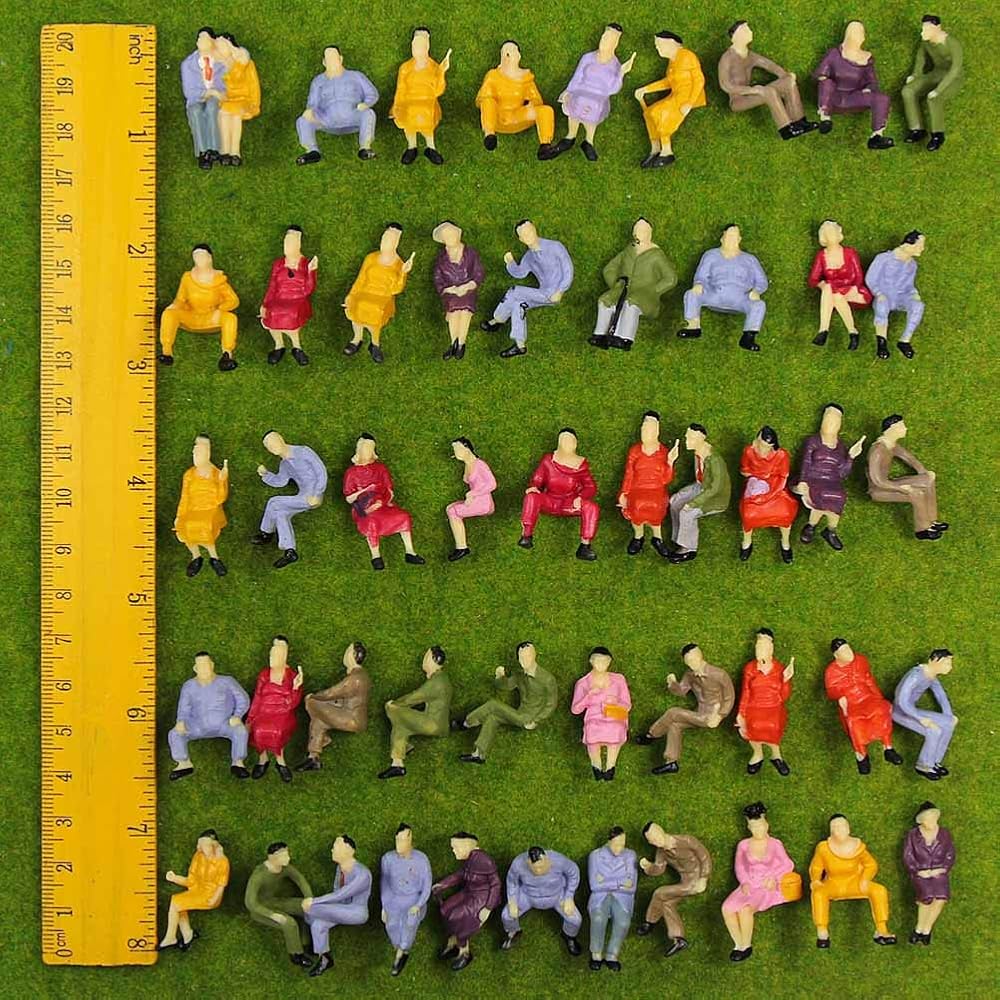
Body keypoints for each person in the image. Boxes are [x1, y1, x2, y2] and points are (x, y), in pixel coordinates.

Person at [634, 643, 734, 774]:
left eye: (693, 660)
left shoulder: (719, 674)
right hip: (699, 714)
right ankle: (671, 762)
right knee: (674, 725)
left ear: (700, 655)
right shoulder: (689, 675)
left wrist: (720, 716)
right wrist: (673, 684)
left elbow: (729, 697)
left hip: (712, 716)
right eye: (688, 662)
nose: (691, 665)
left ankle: (651, 735)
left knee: (673, 712)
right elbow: (682, 691)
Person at [455, 641, 558, 764]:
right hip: (519, 714)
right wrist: (500, 677)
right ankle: (479, 755)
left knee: (493, 704)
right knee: (492, 718)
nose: (524, 661)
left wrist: (536, 721)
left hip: (529, 719)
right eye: (521, 658)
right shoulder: (520, 675)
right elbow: (506, 686)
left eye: (528, 656)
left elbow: (551, 704)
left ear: (534, 655)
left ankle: (466, 723)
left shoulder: (547, 679)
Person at [481, 220, 573, 357]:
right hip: (543, 292)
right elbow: (520, 273)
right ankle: (520, 345)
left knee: (514, 291)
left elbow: (568, 269)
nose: (528, 235)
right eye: (524, 234)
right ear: (521, 239)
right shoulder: (529, 257)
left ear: (535, 229)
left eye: (529, 231)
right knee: (519, 305)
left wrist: (561, 290)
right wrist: (511, 263)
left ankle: (497, 320)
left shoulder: (555, 247)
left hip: (553, 293)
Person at [722, 804, 798, 962]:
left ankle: (746, 945)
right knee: (727, 908)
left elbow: (788, 864)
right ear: (749, 828)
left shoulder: (775, 844)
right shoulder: (743, 845)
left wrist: (774, 877)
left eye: (761, 826)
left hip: (765, 886)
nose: (758, 830)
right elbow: (739, 866)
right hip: (750, 883)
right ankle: (738, 944)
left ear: (766, 825)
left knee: (745, 910)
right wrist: (744, 881)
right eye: (754, 827)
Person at [589, 219, 677, 351]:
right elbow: (609, 269)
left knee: (631, 304)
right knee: (605, 300)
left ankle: (624, 337)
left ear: (649, 234)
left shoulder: (656, 255)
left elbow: (671, 278)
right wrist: (616, 285)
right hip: (623, 289)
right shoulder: (628, 250)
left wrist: (653, 290)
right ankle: (600, 334)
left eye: (642, 231)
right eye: (636, 230)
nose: (637, 234)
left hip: (645, 295)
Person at [718, 21, 816, 139]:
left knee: (789, 82)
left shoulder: (750, 55)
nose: (750, 32)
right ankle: (786, 129)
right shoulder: (727, 58)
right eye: (746, 30)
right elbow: (725, 85)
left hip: (752, 93)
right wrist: (753, 90)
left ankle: (799, 122)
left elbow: (769, 65)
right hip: (738, 100)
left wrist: (785, 75)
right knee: (768, 91)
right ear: (736, 36)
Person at [809, 814, 896, 947]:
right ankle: (822, 933)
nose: (840, 829)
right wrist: (815, 880)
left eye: (843, 826)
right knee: (818, 894)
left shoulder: (858, 847)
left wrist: (865, 879)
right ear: (831, 831)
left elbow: (871, 864)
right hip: (833, 883)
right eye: (835, 827)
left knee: (879, 890)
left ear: (848, 828)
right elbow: (816, 867)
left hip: (855, 883)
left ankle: (881, 930)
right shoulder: (824, 848)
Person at [552, 23, 636, 161]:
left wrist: (621, 73)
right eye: (604, 37)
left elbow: (612, 89)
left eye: (609, 40)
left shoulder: (615, 65)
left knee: (595, 106)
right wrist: (569, 90)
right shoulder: (588, 58)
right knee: (577, 101)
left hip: (598, 96)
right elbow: (577, 76)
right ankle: (571, 136)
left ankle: (588, 141)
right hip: (581, 90)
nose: (604, 41)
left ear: (615, 44)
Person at [678, 224, 768, 351]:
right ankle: (693, 326)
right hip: (715, 294)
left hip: (741, 298)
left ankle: (748, 336)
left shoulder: (750, 260)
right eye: (729, 236)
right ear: (722, 238)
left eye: (734, 236)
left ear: (739, 239)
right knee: (691, 294)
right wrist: (698, 284)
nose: (731, 239)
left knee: (759, 305)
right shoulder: (710, 255)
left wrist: (756, 291)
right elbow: (701, 275)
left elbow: (762, 281)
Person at [343, 433, 425, 570]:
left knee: (403, 516)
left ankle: (410, 552)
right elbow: (349, 498)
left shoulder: (380, 468)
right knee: (371, 522)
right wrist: (365, 491)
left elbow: (389, 490)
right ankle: (376, 556)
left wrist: (383, 502)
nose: (367, 452)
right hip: (362, 507)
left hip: (381, 504)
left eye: (370, 449)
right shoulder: (351, 472)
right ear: (359, 450)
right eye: (365, 449)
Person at [824, 638, 903, 774]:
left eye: (848, 648)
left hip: (868, 697)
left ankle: (888, 748)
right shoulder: (832, 671)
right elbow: (831, 691)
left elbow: (868, 679)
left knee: (882, 708)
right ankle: (861, 755)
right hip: (851, 702)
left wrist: (878, 697)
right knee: (854, 721)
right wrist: (840, 696)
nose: (849, 653)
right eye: (843, 651)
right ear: (836, 655)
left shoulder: (860, 660)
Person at [794, 403, 866, 550]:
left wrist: (851, 457)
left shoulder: (841, 446)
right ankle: (812, 525)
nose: (831, 423)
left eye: (835, 420)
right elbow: (806, 462)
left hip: (832, 480)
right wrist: (803, 481)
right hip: (813, 477)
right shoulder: (813, 441)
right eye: (828, 418)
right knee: (820, 493)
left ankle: (830, 530)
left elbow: (842, 473)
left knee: (839, 495)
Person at [519, 428, 599, 560]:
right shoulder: (548, 460)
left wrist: (581, 497)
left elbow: (590, 486)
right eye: (563, 440)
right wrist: (534, 487)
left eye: (569, 441)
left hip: (569, 502)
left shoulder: (580, 465)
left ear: (575, 443)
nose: (566, 444)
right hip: (550, 499)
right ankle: (526, 535)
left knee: (591, 507)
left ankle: (585, 546)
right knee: (531, 497)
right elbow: (538, 477)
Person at [168, 651, 250, 780]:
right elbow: (184, 706)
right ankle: (184, 763)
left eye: (206, 665)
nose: (204, 669)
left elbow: (243, 699)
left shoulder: (227, 681)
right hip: (198, 725)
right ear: (195, 668)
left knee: (240, 730)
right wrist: (181, 721)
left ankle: (238, 763)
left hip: (225, 723)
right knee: (175, 733)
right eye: (200, 666)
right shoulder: (189, 686)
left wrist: (237, 715)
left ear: (212, 665)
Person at [252, 430, 328, 569]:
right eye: (268, 446)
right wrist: (266, 474)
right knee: (281, 513)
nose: (272, 446)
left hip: (312, 496)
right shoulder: (284, 465)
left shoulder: (303, 452)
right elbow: (281, 481)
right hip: (302, 495)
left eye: (273, 442)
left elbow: (321, 471)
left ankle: (266, 534)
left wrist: (317, 493)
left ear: (280, 438)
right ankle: (290, 551)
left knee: (274, 502)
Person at [813, 21, 894, 149]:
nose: (861, 38)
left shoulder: (866, 59)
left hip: (854, 96)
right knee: (826, 82)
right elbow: (821, 73)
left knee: (882, 98)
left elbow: (872, 81)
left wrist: (868, 89)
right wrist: (823, 80)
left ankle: (877, 136)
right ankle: (825, 118)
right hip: (834, 95)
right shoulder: (835, 54)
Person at [158, 244, 239, 371]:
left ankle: (227, 354)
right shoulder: (187, 278)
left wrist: (220, 309)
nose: (199, 260)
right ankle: (167, 351)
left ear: (209, 258)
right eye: (196, 257)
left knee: (230, 318)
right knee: (169, 314)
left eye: (202, 256)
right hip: (191, 315)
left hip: (211, 317)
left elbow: (233, 300)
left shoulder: (219, 281)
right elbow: (180, 299)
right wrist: (173, 306)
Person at [636, 822, 712, 958]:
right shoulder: (661, 853)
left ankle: (649, 922)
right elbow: (659, 869)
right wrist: (648, 867)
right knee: (666, 904)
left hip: (695, 881)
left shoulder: (686, 840)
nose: (655, 841)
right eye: (651, 840)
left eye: (655, 836)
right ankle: (678, 939)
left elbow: (704, 857)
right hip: (684, 882)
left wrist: (704, 878)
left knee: (659, 893)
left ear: (661, 830)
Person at [866, 414, 947, 540]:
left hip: (889, 483)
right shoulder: (878, 450)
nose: (905, 429)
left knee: (928, 480)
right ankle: (922, 529)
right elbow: (877, 480)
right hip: (878, 490)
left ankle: (933, 521)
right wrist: (903, 488)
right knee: (916, 494)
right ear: (891, 429)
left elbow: (909, 458)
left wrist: (924, 472)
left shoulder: (892, 445)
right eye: (901, 426)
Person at [301, 836, 371, 977]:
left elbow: (341, 894)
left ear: (349, 850)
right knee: (317, 925)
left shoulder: (362, 874)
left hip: (356, 911)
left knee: (311, 910)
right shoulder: (340, 868)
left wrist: (314, 902)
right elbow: (336, 891)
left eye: (336, 847)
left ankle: (312, 924)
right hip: (339, 908)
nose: (332, 850)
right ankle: (325, 959)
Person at [343, 224, 414, 362]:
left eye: (389, 240)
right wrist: (351, 295)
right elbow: (360, 279)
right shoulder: (371, 258)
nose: (385, 243)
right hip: (364, 292)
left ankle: (375, 344)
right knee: (357, 304)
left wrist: (403, 274)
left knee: (375, 310)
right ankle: (357, 338)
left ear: (396, 243)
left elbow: (396, 290)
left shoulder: (399, 264)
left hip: (382, 296)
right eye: (384, 239)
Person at [295, 45, 378, 164]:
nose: (332, 62)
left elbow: (372, 93)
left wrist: (366, 104)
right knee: (303, 120)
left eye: (334, 58)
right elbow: (312, 103)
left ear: (341, 59)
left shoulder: (356, 76)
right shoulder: (318, 81)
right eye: (329, 60)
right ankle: (312, 151)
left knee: (368, 113)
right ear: (324, 62)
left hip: (353, 115)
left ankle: (365, 148)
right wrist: (310, 111)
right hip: (327, 119)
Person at [635, 31, 706, 168]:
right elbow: (669, 82)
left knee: (660, 112)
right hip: (676, 95)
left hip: (687, 97)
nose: (657, 47)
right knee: (648, 113)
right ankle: (655, 148)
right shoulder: (672, 62)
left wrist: (689, 103)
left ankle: (667, 152)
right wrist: (646, 89)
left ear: (671, 43)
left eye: (659, 44)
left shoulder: (686, 56)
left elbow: (699, 80)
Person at [378, 647, 452, 779]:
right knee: (401, 726)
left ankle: (403, 750)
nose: (424, 660)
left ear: (433, 660)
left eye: (427, 657)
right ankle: (398, 764)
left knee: (393, 710)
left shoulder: (436, 682)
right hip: (440, 724)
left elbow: (415, 697)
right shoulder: (442, 677)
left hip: (432, 724)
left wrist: (395, 703)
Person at [297, 641, 371, 772]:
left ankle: (322, 740)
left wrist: (313, 696)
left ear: (353, 655)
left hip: (351, 718)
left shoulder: (355, 678)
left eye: (348, 651)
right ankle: (313, 757)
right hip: (348, 711)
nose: (345, 655)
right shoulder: (360, 675)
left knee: (312, 703)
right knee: (319, 720)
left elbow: (331, 693)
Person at [432, 832, 501, 972]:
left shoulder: (485, 861)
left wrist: (487, 908)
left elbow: (496, 884)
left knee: (457, 916)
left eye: (455, 847)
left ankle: (464, 952)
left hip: (481, 897)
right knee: (445, 909)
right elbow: (460, 875)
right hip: (469, 891)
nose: (453, 850)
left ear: (467, 846)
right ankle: (452, 943)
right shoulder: (469, 860)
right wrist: (443, 884)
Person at [475, 41, 557, 159]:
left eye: (511, 51)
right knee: (487, 101)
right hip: (497, 117)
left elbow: (537, 99)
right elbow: (482, 99)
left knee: (546, 110)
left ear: (518, 55)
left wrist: (532, 105)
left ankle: (545, 146)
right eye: (505, 52)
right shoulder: (493, 76)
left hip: (517, 115)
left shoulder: (526, 78)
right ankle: (489, 135)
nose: (508, 55)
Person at [667, 423, 731, 563]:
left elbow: (715, 489)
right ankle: (679, 538)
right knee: (675, 502)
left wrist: (693, 503)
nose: (686, 440)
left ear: (701, 439)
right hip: (701, 485)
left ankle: (689, 548)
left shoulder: (715, 461)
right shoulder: (698, 452)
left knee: (687, 512)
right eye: (687, 437)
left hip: (714, 497)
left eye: (690, 438)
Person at [618, 411, 678, 555]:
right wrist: (624, 492)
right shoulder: (635, 451)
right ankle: (638, 536)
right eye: (643, 430)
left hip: (656, 488)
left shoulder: (663, 452)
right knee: (637, 505)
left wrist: (670, 462)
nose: (645, 433)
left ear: (657, 431)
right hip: (637, 488)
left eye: (649, 430)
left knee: (656, 506)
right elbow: (629, 473)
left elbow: (666, 479)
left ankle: (657, 538)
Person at [244, 842, 313, 968]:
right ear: (273, 857)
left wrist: (309, 898)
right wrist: (272, 915)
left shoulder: (285, 868)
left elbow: (300, 879)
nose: (288, 858)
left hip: (276, 901)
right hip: (260, 909)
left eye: (287, 854)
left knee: (305, 909)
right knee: (289, 923)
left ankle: (306, 943)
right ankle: (296, 954)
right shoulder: (259, 876)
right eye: (284, 856)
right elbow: (250, 903)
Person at [502, 846, 582, 954]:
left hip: (556, 895)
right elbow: (512, 882)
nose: (538, 871)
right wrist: (512, 901)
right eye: (535, 868)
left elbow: (574, 873)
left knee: (575, 919)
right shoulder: (518, 864)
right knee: (507, 915)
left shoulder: (559, 860)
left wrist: (569, 896)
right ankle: (513, 931)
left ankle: (569, 935)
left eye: (541, 867)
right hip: (529, 896)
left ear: (547, 859)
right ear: (528, 862)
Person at [158, 830, 229, 952]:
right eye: (199, 845)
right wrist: (175, 878)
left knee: (176, 902)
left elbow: (221, 885)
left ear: (213, 846)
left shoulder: (222, 862)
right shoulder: (198, 856)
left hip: (210, 895)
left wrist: (214, 899)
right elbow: (191, 880)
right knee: (178, 903)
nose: (199, 848)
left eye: (203, 845)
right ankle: (188, 934)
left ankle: (171, 937)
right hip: (197, 891)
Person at [735, 629, 793, 775]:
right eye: (758, 647)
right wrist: (741, 713)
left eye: (764, 647)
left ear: (771, 649)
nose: (760, 651)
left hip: (773, 705)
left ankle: (776, 755)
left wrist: (786, 680)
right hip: (754, 705)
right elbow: (746, 692)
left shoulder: (779, 669)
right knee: (754, 725)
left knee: (773, 725)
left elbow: (784, 696)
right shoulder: (750, 668)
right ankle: (757, 753)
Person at [892, 649, 956, 780]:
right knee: (934, 730)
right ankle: (924, 765)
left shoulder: (931, 676)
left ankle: (934, 762)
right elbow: (901, 700)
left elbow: (940, 695)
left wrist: (949, 715)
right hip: (900, 712)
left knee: (950, 722)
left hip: (911, 710)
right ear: (935, 660)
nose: (949, 667)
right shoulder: (916, 675)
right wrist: (920, 718)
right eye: (946, 663)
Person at [389, 27, 451, 165]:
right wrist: (397, 106)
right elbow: (401, 89)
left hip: (427, 102)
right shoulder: (405, 68)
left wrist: (441, 72)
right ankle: (411, 147)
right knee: (409, 118)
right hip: (408, 101)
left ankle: (431, 147)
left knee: (426, 116)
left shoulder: (434, 67)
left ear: (427, 46)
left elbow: (438, 91)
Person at [807, 220, 872, 350]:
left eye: (833, 232)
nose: (832, 236)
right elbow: (813, 279)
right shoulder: (822, 256)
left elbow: (858, 276)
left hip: (855, 291)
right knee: (832, 292)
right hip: (835, 293)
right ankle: (850, 332)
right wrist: (822, 284)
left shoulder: (849, 253)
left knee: (833, 293)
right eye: (828, 234)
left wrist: (853, 288)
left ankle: (824, 330)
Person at [247, 636, 304, 783]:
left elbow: (293, 703)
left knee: (277, 731)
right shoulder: (264, 674)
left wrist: (295, 688)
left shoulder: (292, 676)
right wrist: (251, 718)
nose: (272, 659)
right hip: (264, 711)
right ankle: (263, 759)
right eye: (271, 655)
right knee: (258, 730)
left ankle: (280, 761)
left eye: (276, 655)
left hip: (282, 712)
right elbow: (258, 697)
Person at [738, 425, 799, 563]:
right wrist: (757, 475)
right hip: (755, 482)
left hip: (776, 486)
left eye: (764, 446)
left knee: (784, 512)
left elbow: (783, 477)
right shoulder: (749, 451)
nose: (759, 447)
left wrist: (771, 494)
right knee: (749, 513)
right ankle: (747, 541)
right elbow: (744, 470)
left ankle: (785, 541)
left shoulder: (781, 455)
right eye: (759, 442)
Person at [259, 225, 318, 365]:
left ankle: (297, 347)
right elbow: (272, 285)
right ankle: (279, 345)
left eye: (291, 242)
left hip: (298, 299)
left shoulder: (305, 264)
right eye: (286, 242)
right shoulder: (278, 264)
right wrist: (265, 303)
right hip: (280, 298)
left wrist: (311, 272)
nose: (287, 246)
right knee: (272, 312)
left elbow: (308, 290)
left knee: (290, 313)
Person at [902, 15, 963, 151]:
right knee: (908, 91)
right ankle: (917, 129)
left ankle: (938, 134)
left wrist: (938, 90)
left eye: (927, 29)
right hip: (937, 73)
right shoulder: (926, 42)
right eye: (923, 28)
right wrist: (915, 74)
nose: (923, 32)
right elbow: (920, 57)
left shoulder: (951, 43)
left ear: (937, 28)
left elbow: (955, 69)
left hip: (953, 78)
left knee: (934, 99)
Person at [380, 824, 433, 976]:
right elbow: (384, 884)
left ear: (410, 840)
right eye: (397, 840)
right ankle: (401, 948)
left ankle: (401, 952)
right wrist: (385, 905)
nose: (399, 844)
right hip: (395, 899)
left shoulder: (421, 859)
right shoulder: (388, 859)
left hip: (414, 899)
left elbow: (427, 884)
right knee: (391, 925)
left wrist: (419, 904)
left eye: (403, 840)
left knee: (410, 922)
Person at [571, 647, 630, 781]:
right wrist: (588, 696)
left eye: (605, 661)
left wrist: (616, 702)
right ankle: (596, 766)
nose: (601, 665)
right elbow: (575, 709)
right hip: (594, 718)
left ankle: (610, 767)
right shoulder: (583, 683)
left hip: (614, 716)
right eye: (598, 661)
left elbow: (627, 704)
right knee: (592, 733)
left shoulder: (619, 680)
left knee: (616, 730)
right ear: (591, 661)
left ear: (609, 662)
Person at [173, 434, 229, 577]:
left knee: (204, 525)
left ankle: (214, 558)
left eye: (201, 450)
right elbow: (184, 497)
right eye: (195, 451)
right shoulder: (189, 475)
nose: (197, 455)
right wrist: (179, 515)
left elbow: (221, 498)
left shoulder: (216, 474)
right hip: (192, 508)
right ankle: (196, 556)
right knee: (185, 525)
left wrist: (222, 481)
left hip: (210, 508)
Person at [866, 231, 927, 359]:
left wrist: (914, 294)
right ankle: (881, 342)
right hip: (884, 295)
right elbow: (871, 278)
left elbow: (909, 285)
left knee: (918, 306)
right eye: (920, 245)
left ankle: (905, 341)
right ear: (909, 244)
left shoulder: (912, 265)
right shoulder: (883, 258)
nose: (922, 248)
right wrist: (878, 293)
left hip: (900, 296)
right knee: (881, 305)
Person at [902, 802, 955, 945]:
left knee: (940, 899)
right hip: (921, 872)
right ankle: (918, 929)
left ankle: (926, 930)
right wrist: (917, 870)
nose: (931, 821)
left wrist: (943, 868)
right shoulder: (913, 835)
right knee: (927, 898)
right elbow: (908, 855)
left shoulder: (944, 834)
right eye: (927, 818)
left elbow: (950, 853)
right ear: (921, 820)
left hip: (939, 872)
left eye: (933, 818)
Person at [432, 222, 486, 360]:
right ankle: (453, 343)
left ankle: (461, 342)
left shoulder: (470, 253)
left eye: (451, 234)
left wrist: (469, 285)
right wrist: (448, 289)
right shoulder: (441, 259)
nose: (450, 238)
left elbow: (479, 272)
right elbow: (438, 278)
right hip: (451, 291)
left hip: (468, 288)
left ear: (458, 234)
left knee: (465, 310)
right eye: (446, 236)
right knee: (454, 310)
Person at [587, 826, 637, 971]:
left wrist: (606, 881)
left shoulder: (630, 856)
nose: (619, 849)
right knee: (598, 919)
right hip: (600, 896)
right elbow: (594, 885)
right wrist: (620, 882)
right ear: (609, 841)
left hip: (622, 897)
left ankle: (612, 955)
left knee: (623, 922)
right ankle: (596, 953)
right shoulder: (595, 856)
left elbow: (631, 886)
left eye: (622, 845)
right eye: (616, 844)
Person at [180, 27, 225, 169]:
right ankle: (203, 152)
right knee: (196, 112)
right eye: (199, 38)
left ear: (213, 41)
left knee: (212, 108)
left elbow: (227, 82)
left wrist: (217, 93)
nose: (201, 42)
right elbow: (189, 90)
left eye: (205, 38)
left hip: (217, 96)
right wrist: (207, 93)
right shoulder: (188, 64)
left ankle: (214, 149)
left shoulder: (222, 61)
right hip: (197, 98)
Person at [445, 437, 496, 560]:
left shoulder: (480, 464)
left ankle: (462, 548)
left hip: (483, 503)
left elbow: (492, 484)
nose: (455, 452)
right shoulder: (468, 464)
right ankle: (461, 545)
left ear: (466, 448)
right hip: (477, 500)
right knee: (450, 507)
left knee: (453, 512)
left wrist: (473, 494)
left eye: (458, 449)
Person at [215, 33, 260, 165]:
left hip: (243, 99)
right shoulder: (218, 64)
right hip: (226, 100)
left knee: (235, 116)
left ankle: (235, 151)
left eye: (222, 45)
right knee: (223, 115)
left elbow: (253, 84)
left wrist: (255, 103)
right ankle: (225, 150)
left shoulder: (245, 63)